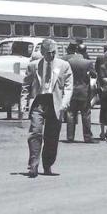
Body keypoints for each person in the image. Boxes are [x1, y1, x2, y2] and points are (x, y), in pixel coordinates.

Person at [19, 39, 73, 177]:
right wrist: (23, 103)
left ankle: (48, 165)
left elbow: (68, 86)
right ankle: (33, 165)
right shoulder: (33, 66)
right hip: (39, 101)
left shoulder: (64, 65)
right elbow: (25, 86)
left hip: (55, 103)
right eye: (48, 53)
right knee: (35, 133)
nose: (51, 55)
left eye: (54, 52)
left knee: (52, 137)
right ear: (42, 52)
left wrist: (64, 103)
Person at [64, 41, 97, 143]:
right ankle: (87, 137)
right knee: (85, 114)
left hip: (72, 91)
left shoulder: (69, 62)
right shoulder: (87, 62)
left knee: (70, 114)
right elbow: (94, 75)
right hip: (84, 91)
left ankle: (70, 136)